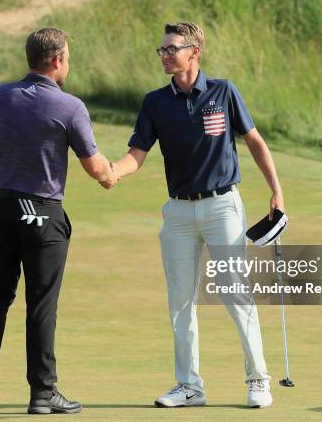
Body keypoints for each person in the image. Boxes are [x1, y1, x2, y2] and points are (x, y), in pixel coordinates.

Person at [108, 22, 284, 408]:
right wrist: (114, 171)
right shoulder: (154, 102)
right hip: (178, 213)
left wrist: (276, 189)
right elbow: (137, 153)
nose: (166, 54)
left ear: (194, 52)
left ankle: (258, 379)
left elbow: (254, 140)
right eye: (163, 49)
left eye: (173, 48)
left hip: (223, 205)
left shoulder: (224, 92)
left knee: (234, 291)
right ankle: (189, 386)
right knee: (180, 301)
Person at [0, 27, 118, 415]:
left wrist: (5, 167)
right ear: (57, 60)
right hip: (41, 213)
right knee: (41, 303)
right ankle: (43, 394)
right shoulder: (70, 106)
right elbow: (93, 164)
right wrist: (110, 176)